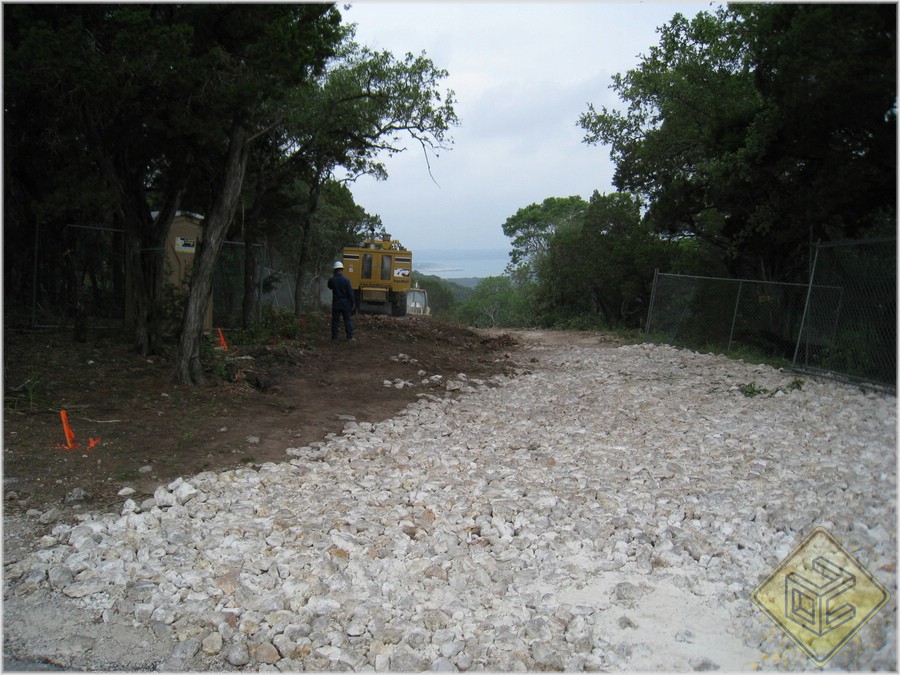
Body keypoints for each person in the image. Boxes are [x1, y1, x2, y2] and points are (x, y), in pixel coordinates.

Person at [327, 261, 355, 341]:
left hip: (336, 303)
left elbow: (329, 286)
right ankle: (349, 337)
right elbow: (350, 293)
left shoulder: (332, 280)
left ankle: (334, 337)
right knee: (347, 320)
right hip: (345, 304)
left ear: (335, 270)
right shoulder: (346, 280)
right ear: (342, 269)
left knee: (335, 320)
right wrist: (353, 302)